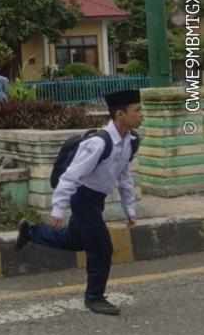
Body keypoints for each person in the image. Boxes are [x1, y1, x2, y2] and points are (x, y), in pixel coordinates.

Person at [15, 89, 143, 316]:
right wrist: (58, 208)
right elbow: (71, 176)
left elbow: (124, 177)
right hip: (82, 198)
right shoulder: (98, 143)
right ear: (120, 115)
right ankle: (94, 298)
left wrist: (129, 208)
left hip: (97, 200)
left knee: (74, 240)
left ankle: (31, 232)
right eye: (137, 110)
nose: (142, 115)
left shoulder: (130, 142)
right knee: (102, 249)